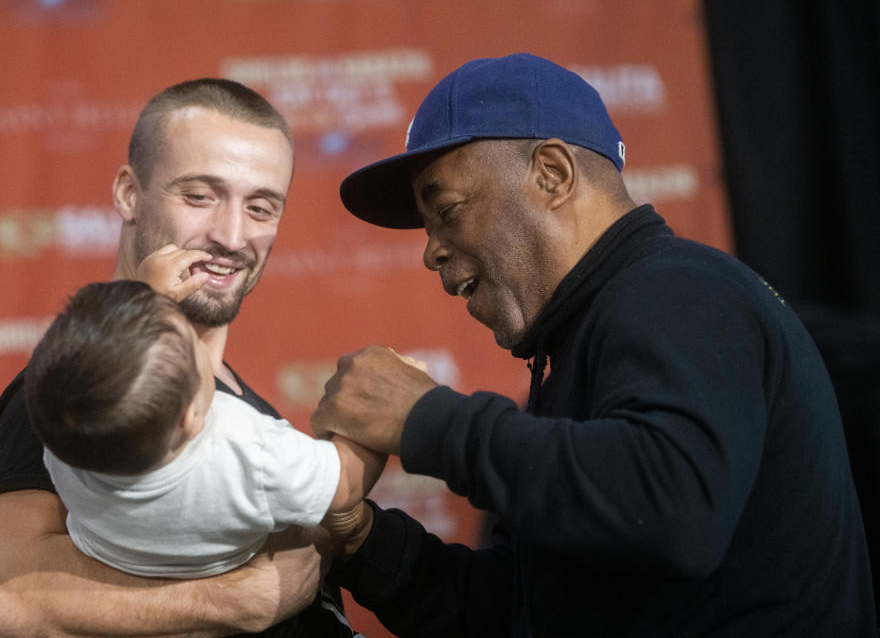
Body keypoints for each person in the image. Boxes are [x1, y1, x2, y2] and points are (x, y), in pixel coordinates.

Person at [312, 53, 878, 636]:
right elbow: (519, 613)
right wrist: (362, 537)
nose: (430, 251)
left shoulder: (680, 290)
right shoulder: (580, 350)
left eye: (447, 211)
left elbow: (671, 510)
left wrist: (427, 420)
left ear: (552, 174)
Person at [0, 78, 360, 637]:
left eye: (261, 207)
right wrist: (243, 600)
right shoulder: (91, 387)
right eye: (199, 196)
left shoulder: (253, 420)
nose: (231, 235)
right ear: (128, 193)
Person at [26, 278, 386, 579]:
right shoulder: (249, 453)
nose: (201, 337)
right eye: (192, 342)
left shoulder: (66, 435)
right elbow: (344, 486)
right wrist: (381, 410)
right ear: (191, 419)